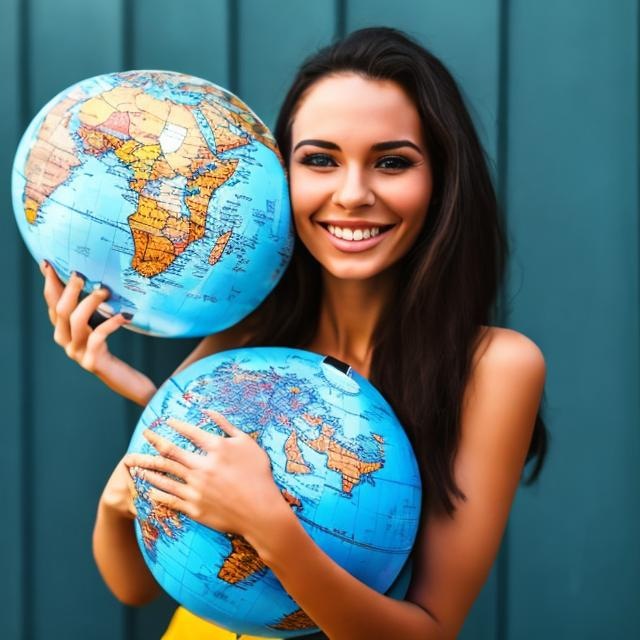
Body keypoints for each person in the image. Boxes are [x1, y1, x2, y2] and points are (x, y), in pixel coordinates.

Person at [40, 27, 547, 640]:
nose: (353, 194)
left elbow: (430, 631)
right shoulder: (249, 339)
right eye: (320, 159)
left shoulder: (496, 366)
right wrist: (137, 455)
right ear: (283, 176)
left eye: (391, 162)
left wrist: (268, 523)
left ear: (441, 179)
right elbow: (136, 585)